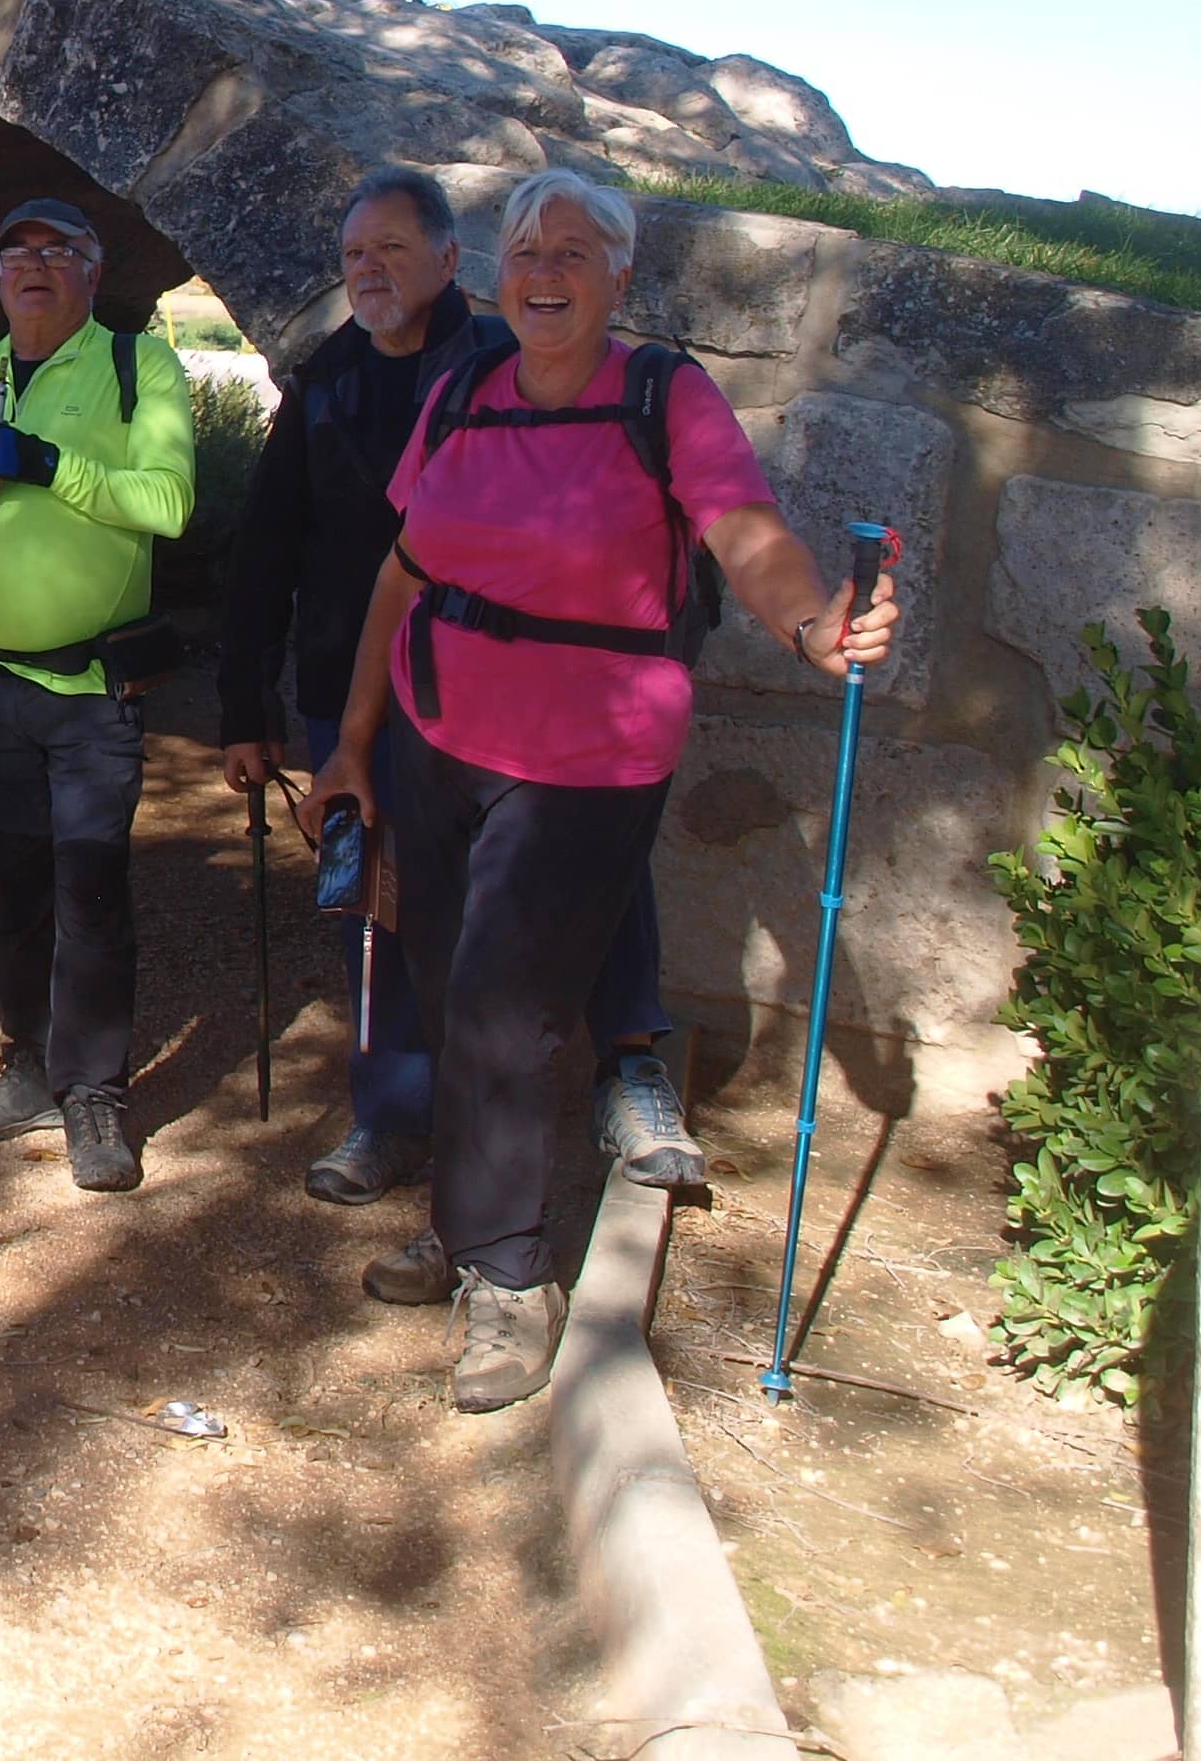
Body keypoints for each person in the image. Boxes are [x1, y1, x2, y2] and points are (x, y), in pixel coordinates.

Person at [309, 168, 898, 1413]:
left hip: (587, 756)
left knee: (510, 1010)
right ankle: (470, 1228)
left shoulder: (660, 395)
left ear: (621, 276)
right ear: (499, 272)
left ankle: (514, 1280)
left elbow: (745, 531)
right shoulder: (465, 388)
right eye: (528, 249)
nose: (546, 271)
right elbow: (400, 576)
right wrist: (354, 747)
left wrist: (811, 626)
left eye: (576, 252)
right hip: (435, 734)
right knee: (438, 982)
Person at [218, 168, 708, 1207]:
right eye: (354, 255)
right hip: (354, 681)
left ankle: (629, 1064)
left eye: (392, 250)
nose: (369, 271)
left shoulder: (506, 364)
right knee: (382, 909)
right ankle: (393, 1116)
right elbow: (263, 550)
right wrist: (244, 708)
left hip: (528, 691)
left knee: (585, 871)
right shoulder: (323, 380)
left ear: (450, 261)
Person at [0, 201, 195, 1192]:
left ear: (92, 275)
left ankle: (94, 1091)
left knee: (90, 888)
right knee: (12, 889)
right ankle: (28, 1061)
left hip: (91, 684)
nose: (32, 266)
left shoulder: (137, 368)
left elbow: (169, 503)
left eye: (56, 251)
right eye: (14, 251)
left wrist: (54, 467)